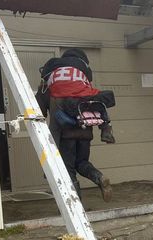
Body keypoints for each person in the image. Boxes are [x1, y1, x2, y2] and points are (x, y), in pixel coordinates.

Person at [35, 49, 115, 202]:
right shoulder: (82, 79)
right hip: (85, 130)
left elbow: (39, 107)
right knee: (82, 162)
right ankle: (100, 178)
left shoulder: (51, 78)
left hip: (64, 133)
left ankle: (77, 206)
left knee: (68, 169)